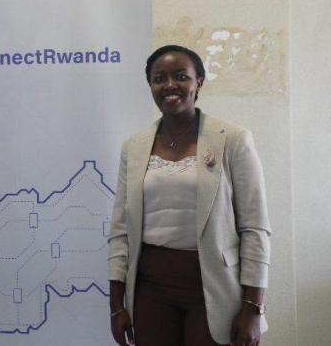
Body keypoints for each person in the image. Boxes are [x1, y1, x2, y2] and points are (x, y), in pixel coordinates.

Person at [107, 45, 271, 346]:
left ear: (200, 82)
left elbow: (255, 228)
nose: (170, 85)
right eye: (159, 78)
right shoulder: (134, 147)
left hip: (213, 287)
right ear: (151, 86)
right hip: (150, 288)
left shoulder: (233, 140)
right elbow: (119, 231)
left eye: (181, 76)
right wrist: (116, 305)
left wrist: (253, 308)